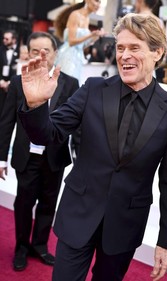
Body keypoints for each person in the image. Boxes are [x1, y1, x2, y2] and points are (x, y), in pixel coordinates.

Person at [18, 13, 167, 281]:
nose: (124, 55)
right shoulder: (93, 89)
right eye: (120, 48)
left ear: (158, 52)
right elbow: (47, 134)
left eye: (134, 48)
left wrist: (165, 241)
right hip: (78, 214)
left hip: (125, 225)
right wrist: (37, 106)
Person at [0, 32, 80, 271]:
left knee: (48, 204)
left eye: (46, 50)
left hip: (55, 158)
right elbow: (6, 123)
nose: (41, 55)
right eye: (35, 51)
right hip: (27, 157)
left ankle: (40, 246)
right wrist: (1, 158)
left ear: (55, 53)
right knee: (23, 205)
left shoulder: (70, 83)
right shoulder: (17, 82)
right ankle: (22, 247)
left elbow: (77, 125)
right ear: (28, 53)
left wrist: (81, 158)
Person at [54, 0, 104, 84]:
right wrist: (90, 35)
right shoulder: (75, 15)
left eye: (100, 2)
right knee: (66, 84)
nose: (98, 5)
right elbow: (71, 41)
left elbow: (82, 45)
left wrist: (95, 37)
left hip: (78, 57)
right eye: (96, 1)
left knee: (74, 85)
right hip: (68, 56)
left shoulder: (87, 18)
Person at [0, 30, 19, 115]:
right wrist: (1, 81)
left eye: (7, 39)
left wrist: (9, 82)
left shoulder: (20, 52)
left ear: (14, 40)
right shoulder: (0, 49)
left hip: (12, 85)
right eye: (4, 38)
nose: (4, 40)